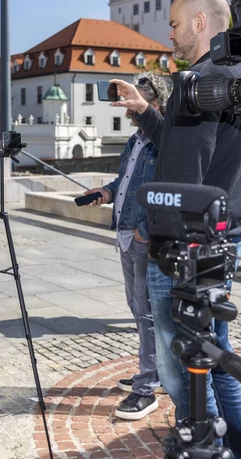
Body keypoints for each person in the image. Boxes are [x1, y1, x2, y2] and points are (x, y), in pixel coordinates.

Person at [110, 0, 241, 459]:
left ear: (200, 23)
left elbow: (182, 173)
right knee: (216, 357)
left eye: (175, 23)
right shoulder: (235, 79)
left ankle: (206, 448)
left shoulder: (199, 83)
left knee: (182, 367)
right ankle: (237, 451)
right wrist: (146, 112)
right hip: (222, 236)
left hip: (184, 246)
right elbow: (188, 147)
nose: (169, 33)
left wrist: (150, 229)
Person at [83, 73, 168, 420]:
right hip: (127, 234)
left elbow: (164, 188)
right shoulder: (136, 141)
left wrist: (145, 232)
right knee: (138, 308)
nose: (131, 114)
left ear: (156, 104)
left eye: (135, 106)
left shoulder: (163, 142)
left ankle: (146, 388)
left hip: (141, 237)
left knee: (147, 315)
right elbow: (127, 180)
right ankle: (156, 372)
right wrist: (106, 192)